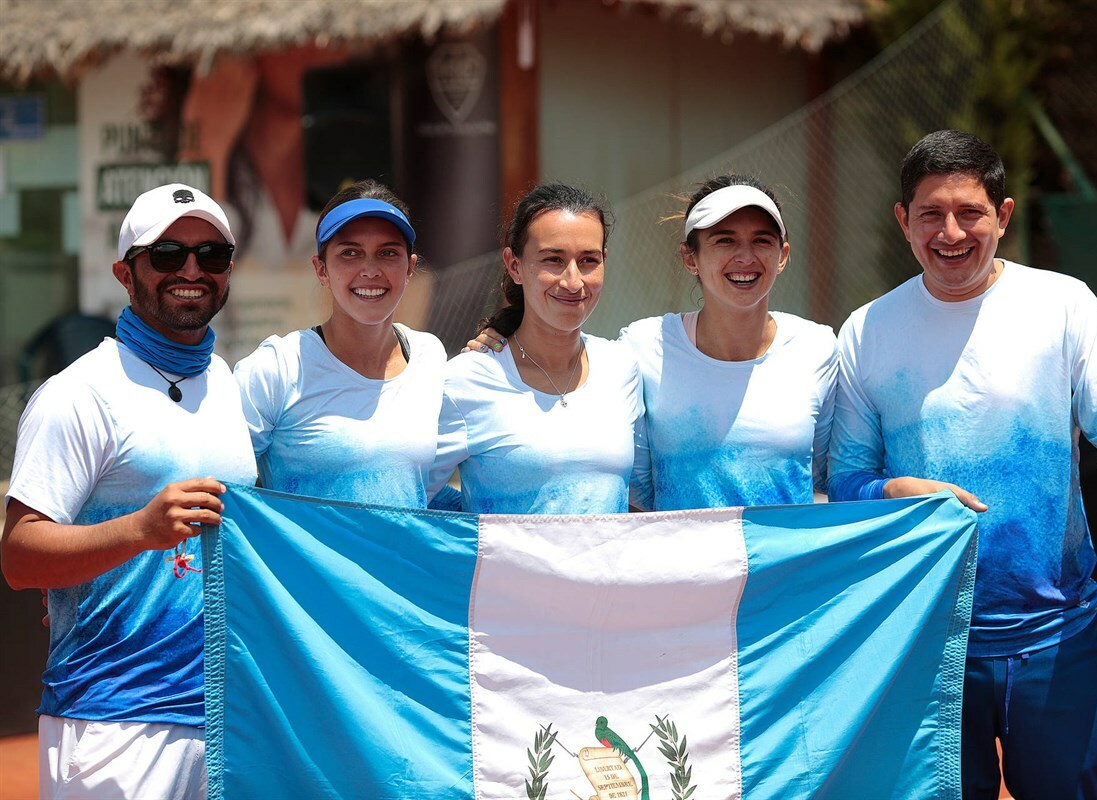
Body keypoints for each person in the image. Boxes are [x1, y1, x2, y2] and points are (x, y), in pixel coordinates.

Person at [828, 130, 1097, 800]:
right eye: (930, 214)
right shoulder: (866, 331)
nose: (951, 232)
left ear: (1004, 216)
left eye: (970, 213)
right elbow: (847, 482)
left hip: (1057, 637)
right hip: (927, 646)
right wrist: (891, 488)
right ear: (903, 222)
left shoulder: (1064, 304)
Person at [2, 184, 256, 799]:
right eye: (167, 254)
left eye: (211, 255)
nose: (191, 270)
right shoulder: (77, 394)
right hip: (114, 719)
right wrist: (138, 531)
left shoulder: (227, 383)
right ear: (125, 272)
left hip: (229, 719)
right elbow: (18, 556)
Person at [467, 175, 837, 511]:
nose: (745, 256)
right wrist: (503, 337)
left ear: (783, 255)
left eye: (762, 241)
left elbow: (831, 473)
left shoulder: (818, 347)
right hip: (678, 579)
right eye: (725, 240)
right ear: (689, 257)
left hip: (791, 579)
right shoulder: (640, 348)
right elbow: (636, 490)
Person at [428, 183, 650, 514]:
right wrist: (475, 527)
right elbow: (410, 497)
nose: (573, 281)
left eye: (588, 260)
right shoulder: (466, 379)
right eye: (553, 260)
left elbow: (643, 495)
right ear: (514, 265)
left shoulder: (622, 368)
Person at [235, 179, 447, 505]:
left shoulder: (429, 356)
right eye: (350, 253)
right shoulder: (277, 367)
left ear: (410, 268)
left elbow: (422, 487)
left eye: (388, 253)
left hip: (400, 558)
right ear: (321, 269)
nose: (370, 270)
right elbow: (221, 487)